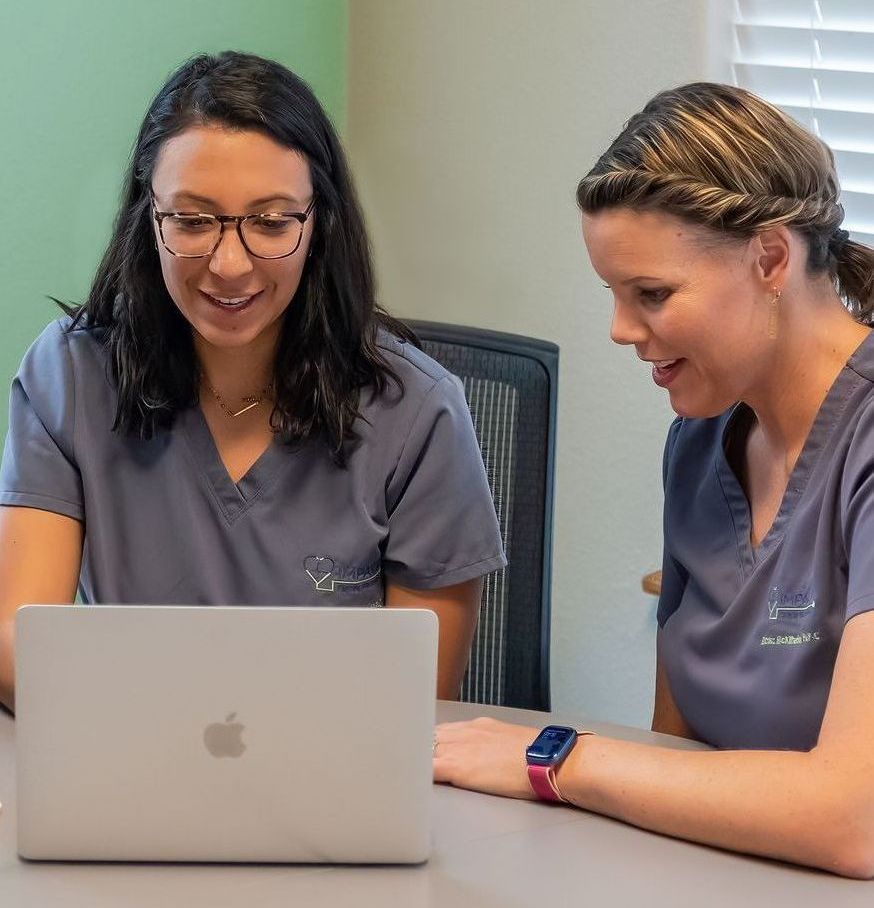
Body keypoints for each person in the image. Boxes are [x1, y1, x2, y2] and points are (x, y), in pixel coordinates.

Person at [433, 82, 874, 878]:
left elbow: (855, 818)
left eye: (652, 294)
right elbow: (672, 748)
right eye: (614, 294)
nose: (620, 329)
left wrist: (554, 758)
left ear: (770, 257)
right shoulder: (698, 446)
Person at [0, 52, 506, 712]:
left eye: (270, 222)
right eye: (191, 220)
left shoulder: (418, 412)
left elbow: (414, 709)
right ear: (146, 220)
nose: (229, 263)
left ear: (318, 223)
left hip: (328, 794)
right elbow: (16, 643)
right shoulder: (68, 375)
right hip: (125, 772)